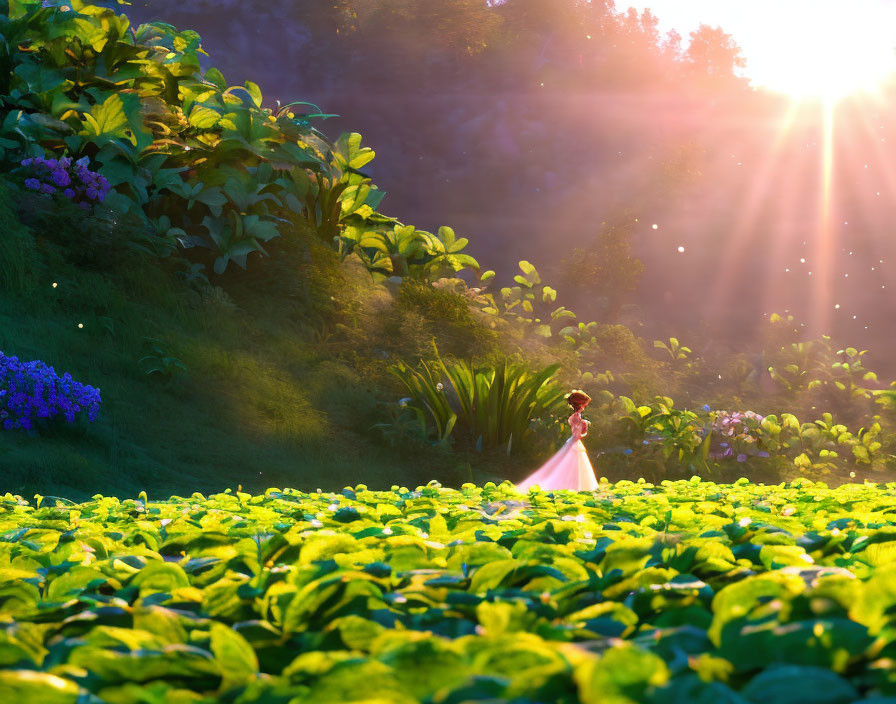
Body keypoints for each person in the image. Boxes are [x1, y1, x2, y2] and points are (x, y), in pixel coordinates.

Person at [515, 390, 599, 492]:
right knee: (573, 464)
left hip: (574, 442)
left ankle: (574, 486)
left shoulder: (576, 417)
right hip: (575, 442)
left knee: (573, 465)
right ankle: (573, 486)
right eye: (584, 405)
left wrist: (583, 424)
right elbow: (576, 434)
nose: (585, 407)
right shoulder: (576, 417)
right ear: (580, 405)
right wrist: (583, 424)